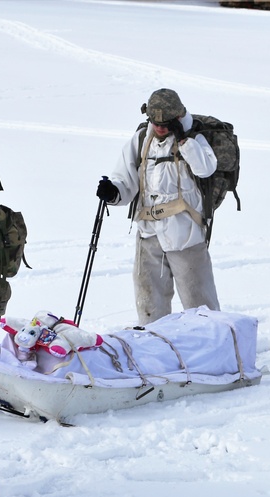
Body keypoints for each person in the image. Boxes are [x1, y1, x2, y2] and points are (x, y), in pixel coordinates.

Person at [96, 88, 221, 325]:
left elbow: (206, 169)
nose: (160, 127)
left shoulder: (194, 139)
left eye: (165, 123)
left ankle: (210, 346)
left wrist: (183, 139)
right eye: (155, 121)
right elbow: (126, 180)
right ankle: (155, 347)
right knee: (149, 304)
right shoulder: (142, 139)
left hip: (186, 234)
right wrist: (113, 192)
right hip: (148, 233)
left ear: (176, 119)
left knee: (200, 305)